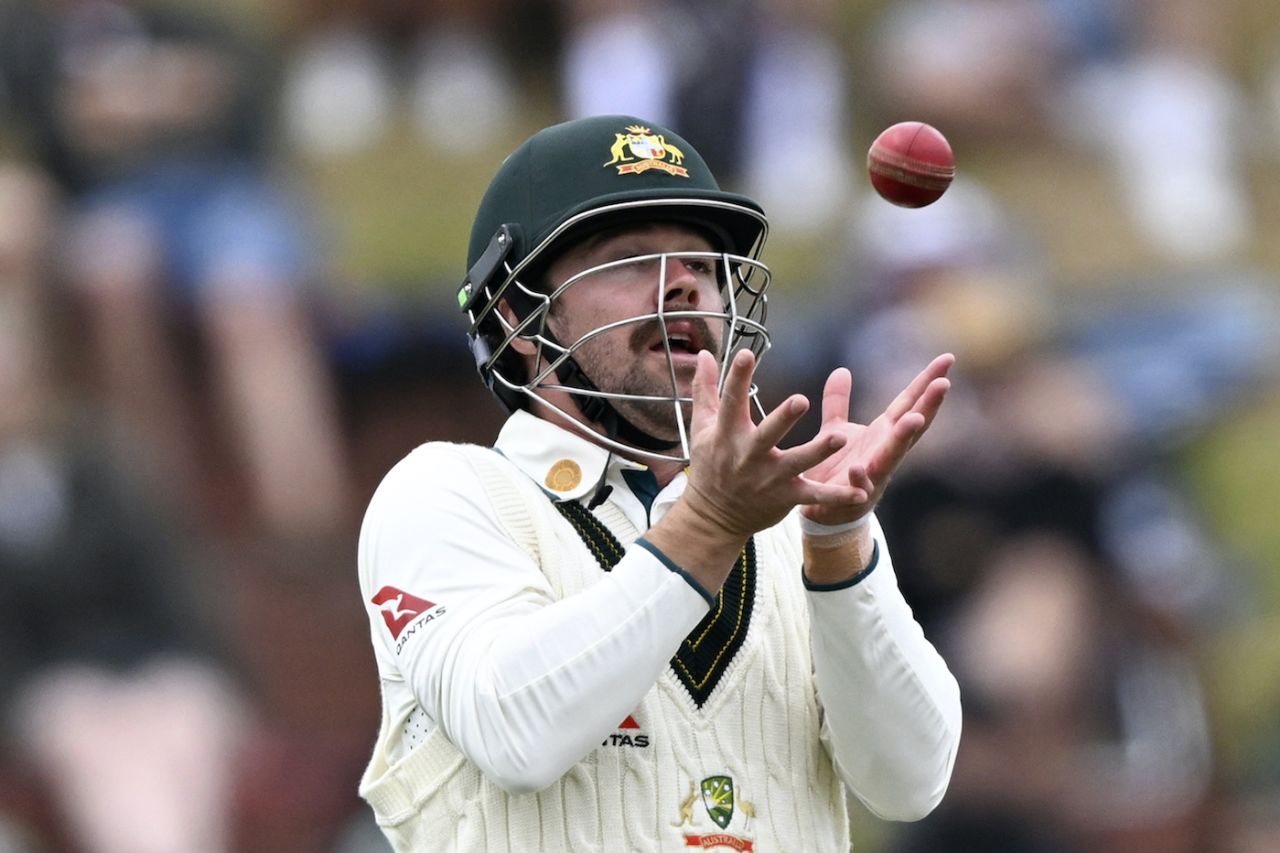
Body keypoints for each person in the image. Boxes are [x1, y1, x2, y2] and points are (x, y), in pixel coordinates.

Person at [355, 114, 962, 851]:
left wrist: (838, 547)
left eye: (702, 266)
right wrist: (708, 522)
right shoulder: (447, 494)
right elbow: (515, 733)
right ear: (517, 314)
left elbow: (910, 781)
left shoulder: (789, 522)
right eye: (628, 260)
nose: (680, 286)